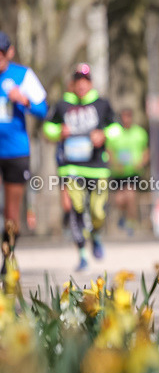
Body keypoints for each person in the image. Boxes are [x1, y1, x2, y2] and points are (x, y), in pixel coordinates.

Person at [43, 64, 118, 271]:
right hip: (71, 168)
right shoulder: (62, 105)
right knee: (75, 209)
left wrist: (103, 135)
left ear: (90, 83)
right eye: (78, 81)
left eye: (85, 80)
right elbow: (47, 128)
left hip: (97, 167)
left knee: (97, 211)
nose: (82, 85)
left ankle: (95, 234)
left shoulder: (102, 105)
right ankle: (82, 254)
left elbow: (116, 129)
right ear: (72, 84)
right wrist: (58, 131)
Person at [0, 31, 48, 276]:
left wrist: (24, 100)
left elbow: (43, 110)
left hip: (15, 152)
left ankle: (7, 263)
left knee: (11, 210)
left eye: (0, 54)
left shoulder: (22, 75)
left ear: (9, 52)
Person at [107, 107, 149, 236]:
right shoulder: (114, 133)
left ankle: (131, 222)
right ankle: (123, 217)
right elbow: (109, 150)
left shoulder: (140, 133)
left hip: (133, 172)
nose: (126, 119)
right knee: (119, 200)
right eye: (124, 117)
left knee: (130, 196)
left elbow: (146, 151)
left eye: (128, 116)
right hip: (118, 172)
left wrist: (141, 163)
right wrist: (114, 162)